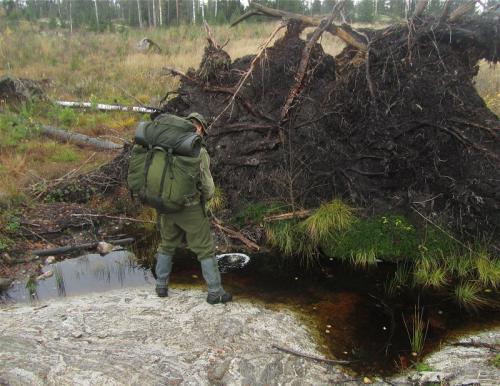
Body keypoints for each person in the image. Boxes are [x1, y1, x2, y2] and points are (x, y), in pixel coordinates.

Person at [154, 112, 233, 305]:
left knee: (167, 244)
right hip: (190, 207)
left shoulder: (166, 144)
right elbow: (208, 187)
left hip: (166, 204)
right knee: (205, 249)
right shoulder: (199, 150)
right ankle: (215, 292)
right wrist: (205, 199)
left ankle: (161, 286)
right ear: (201, 129)